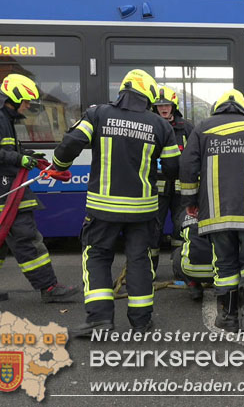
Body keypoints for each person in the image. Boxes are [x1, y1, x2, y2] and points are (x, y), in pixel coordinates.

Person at [52, 69, 180, 336]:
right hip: (143, 209)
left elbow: (70, 143)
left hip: (103, 207)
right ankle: (142, 321)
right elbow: (171, 168)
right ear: (148, 96)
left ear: (122, 91)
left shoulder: (98, 114)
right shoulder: (161, 125)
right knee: (140, 260)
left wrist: (59, 166)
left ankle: (99, 320)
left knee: (97, 257)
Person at [0, 74, 78, 305]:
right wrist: (19, 159)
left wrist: (26, 156)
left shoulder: (2, 118)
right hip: (5, 194)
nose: (27, 106)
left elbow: (1, 149)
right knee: (27, 240)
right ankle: (49, 287)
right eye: (25, 101)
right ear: (13, 98)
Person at [180, 89, 244, 333]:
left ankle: (228, 317)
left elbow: (186, 164)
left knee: (224, 264)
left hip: (216, 213)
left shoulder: (202, 128)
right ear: (243, 108)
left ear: (217, 107)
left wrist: (190, 200)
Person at [149, 85, 193, 270]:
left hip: (180, 188)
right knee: (152, 230)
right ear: (154, 108)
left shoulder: (187, 128)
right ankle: (149, 271)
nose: (163, 108)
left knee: (180, 229)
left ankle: (180, 271)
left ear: (173, 105)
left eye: (167, 104)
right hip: (155, 189)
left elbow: (194, 155)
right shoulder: (148, 126)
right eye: (159, 105)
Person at [171, 211, 214, 301]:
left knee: (177, 253)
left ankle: (193, 286)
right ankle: (227, 290)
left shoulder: (185, 213)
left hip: (191, 270)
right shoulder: (221, 210)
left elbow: (181, 236)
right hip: (221, 270)